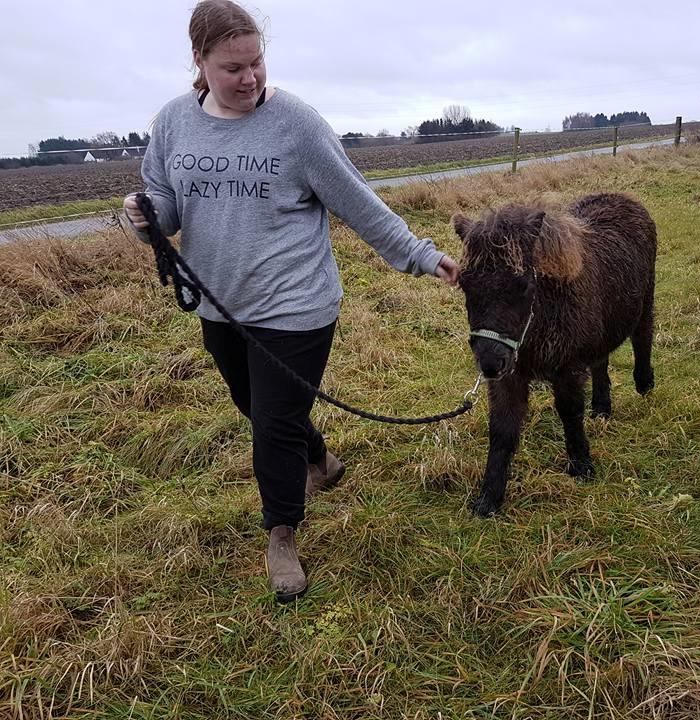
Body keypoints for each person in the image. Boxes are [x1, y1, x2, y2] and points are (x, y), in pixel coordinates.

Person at [123, 0, 459, 603]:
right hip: (220, 306)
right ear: (199, 62)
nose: (249, 77)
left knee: (272, 425)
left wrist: (424, 256)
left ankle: (282, 534)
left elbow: (359, 204)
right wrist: (144, 218)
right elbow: (166, 207)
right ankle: (320, 460)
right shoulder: (173, 123)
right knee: (255, 404)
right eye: (233, 67)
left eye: (256, 62)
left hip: (296, 306)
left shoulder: (297, 125)